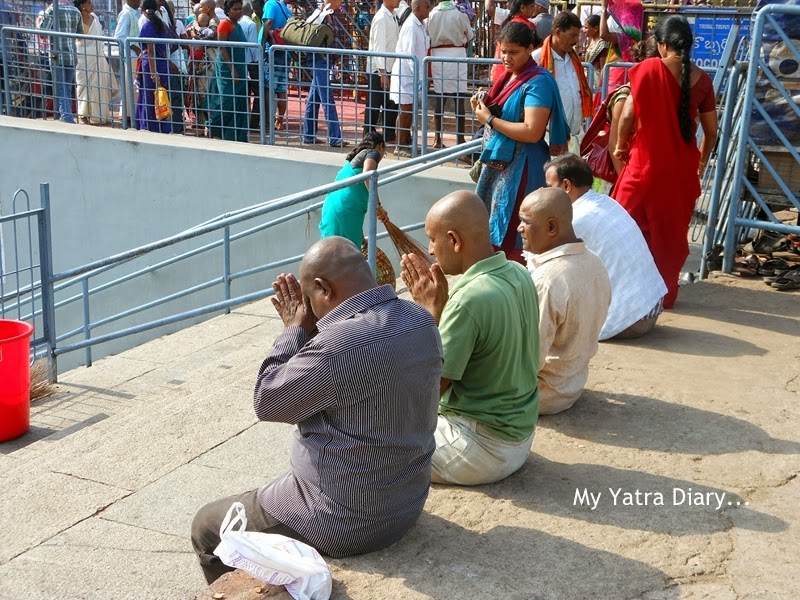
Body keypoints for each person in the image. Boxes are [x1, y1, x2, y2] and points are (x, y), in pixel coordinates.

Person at [191, 237, 443, 583]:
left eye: (309, 300)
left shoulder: (338, 344)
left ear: (323, 289)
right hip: (404, 504)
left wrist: (294, 329)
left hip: (343, 520)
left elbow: (268, 400)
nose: (307, 309)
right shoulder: (420, 319)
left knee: (206, 525)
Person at [401, 190, 539, 486]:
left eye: (432, 239)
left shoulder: (469, 299)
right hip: (519, 437)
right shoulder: (519, 272)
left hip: (481, 448)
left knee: (365, 443)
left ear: (454, 240)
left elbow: (426, 392)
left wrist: (429, 315)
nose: (430, 249)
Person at [612, 15, 717, 308]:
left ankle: (627, 293)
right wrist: (701, 161)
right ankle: (662, 294)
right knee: (669, 235)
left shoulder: (646, 69)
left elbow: (629, 115)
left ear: (661, 45)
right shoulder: (703, 80)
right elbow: (711, 132)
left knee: (626, 228)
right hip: (681, 173)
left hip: (643, 168)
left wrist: (621, 145)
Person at [472, 22, 569, 263]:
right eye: (503, 51)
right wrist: (483, 108)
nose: (506, 57)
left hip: (524, 166)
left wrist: (490, 119)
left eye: (513, 52)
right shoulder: (507, 77)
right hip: (500, 166)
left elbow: (532, 131)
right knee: (496, 225)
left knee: (516, 232)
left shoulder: (538, 82)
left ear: (529, 49)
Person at [544, 154, 667, 339]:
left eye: (550, 187)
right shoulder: (607, 202)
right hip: (650, 308)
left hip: (629, 320)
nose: (546, 194)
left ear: (567, 186)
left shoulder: (575, 219)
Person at [518, 187, 610, 415]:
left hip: (541, 395)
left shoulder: (547, 281)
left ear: (551, 227)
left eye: (525, 222)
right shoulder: (594, 262)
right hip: (573, 384)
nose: (519, 228)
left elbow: (527, 364)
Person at [533, 11, 592, 154]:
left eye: (577, 35)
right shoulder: (537, 59)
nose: (576, 40)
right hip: (548, 136)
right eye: (572, 35)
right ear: (558, 32)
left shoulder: (574, 59)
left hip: (574, 135)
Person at [319, 132, 391, 248]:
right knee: (348, 256)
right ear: (380, 146)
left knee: (330, 255)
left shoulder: (354, 161)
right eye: (384, 152)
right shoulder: (373, 153)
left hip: (332, 208)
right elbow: (367, 175)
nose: (382, 156)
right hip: (345, 210)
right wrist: (377, 206)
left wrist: (361, 237)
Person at [427, 0, 474, 149]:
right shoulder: (460, 14)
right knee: (458, 99)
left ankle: (437, 138)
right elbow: (470, 35)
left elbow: (427, 34)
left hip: (438, 56)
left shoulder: (432, 14)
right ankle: (460, 139)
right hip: (457, 55)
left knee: (440, 98)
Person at [390, 0, 432, 157]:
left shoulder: (420, 25)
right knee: (405, 110)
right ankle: (399, 145)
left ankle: (406, 141)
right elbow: (410, 56)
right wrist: (419, 78)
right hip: (406, 75)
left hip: (414, 75)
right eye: (427, 6)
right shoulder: (410, 26)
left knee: (410, 110)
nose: (429, 9)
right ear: (417, 8)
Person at [302, 0, 346, 147]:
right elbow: (309, 29)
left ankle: (308, 135)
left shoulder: (331, 15)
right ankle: (335, 137)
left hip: (324, 59)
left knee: (314, 98)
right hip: (318, 58)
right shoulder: (320, 13)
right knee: (327, 97)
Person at [206, 0, 249, 141]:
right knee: (228, 101)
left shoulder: (238, 25)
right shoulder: (224, 24)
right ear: (228, 10)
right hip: (228, 68)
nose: (239, 11)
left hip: (240, 66)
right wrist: (232, 69)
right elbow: (222, 47)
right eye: (235, 9)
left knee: (240, 102)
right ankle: (213, 127)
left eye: (240, 9)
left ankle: (236, 135)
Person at [73, 0, 117, 125]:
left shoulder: (95, 19)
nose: (92, 5)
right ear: (82, 6)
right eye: (89, 3)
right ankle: (83, 114)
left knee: (98, 86)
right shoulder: (77, 19)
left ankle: (97, 116)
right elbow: (78, 40)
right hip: (83, 58)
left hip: (98, 57)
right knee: (83, 87)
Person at [40, 0, 83, 124]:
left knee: (60, 88)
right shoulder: (76, 11)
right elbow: (80, 35)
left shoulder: (52, 10)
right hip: (71, 55)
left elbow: (42, 33)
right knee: (67, 87)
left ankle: (66, 117)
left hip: (56, 55)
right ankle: (65, 114)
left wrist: (39, 22)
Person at [364, 0, 400, 143]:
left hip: (389, 66)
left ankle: (388, 134)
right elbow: (379, 47)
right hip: (379, 69)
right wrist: (382, 72)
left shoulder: (392, 15)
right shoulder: (381, 18)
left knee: (391, 103)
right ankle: (368, 136)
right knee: (374, 104)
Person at [136, 0, 173, 133]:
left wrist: (153, 72)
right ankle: (163, 127)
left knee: (150, 96)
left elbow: (150, 50)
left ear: (143, 11)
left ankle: (150, 127)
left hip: (152, 65)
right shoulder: (162, 25)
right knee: (161, 96)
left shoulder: (147, 26)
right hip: (162, 64)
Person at [485, 0, 538, 85]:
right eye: (532, 6)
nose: (534, 9)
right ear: (523, 8)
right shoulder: (527, 26)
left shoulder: (509, 21)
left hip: (499, 75)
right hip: (515, 77)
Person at [598, 0, 643, 89]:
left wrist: (603, 9)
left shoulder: (625, 38)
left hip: (619, 75)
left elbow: (603, 34)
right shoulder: (638, 36)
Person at [259, 0, 290, 130]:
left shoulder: (271, 4)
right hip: (284, 51)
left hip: (271, 51)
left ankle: (267, 121)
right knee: (281, 88)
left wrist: (261, 44)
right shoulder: (285, 8)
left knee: (267, 87)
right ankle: (279, 120)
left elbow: (269, 22)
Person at [238, 2, 260, 131]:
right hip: (251, 62)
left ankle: (243, 121)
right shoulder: (251, 24)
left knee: (243, 93)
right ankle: (254, 123)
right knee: (257, 93)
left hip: (240, 62)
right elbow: (253, 45)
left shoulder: (238, 24)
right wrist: (257, 61)